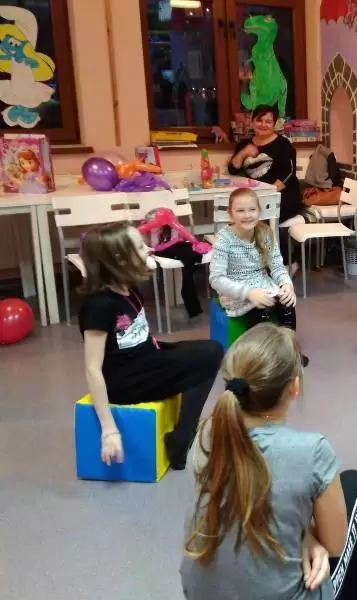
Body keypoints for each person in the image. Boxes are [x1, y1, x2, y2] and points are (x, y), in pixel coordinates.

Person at [180, 324, 357, 600]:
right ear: (294, 387)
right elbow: (334, 546)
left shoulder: (206, 437)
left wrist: (306, 537)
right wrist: (310, 536)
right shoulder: (312, 452)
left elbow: (246, 508)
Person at [78, 222, 223, 470]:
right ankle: (182, 439)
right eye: (140, 247)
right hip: (126, 382)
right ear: (118, 258)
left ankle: (182, 434)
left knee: (208, 352)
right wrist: (109, 430)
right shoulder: (98, 305)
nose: (149, 249)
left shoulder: (127, 287)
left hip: (145, 358)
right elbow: (93, 369)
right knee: (209, 354)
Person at [209, 188, 309, 366]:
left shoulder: (265, 233)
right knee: (265, 308)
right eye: (240, 210)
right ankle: (261, 357)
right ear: (231, 214)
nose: (247, 215)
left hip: (263, 284)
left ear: (259, 211)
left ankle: (289, 352)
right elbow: (216, 279)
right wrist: (249, 293)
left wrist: (287, 285)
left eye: (252, 209)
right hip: (236, 291)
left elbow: (277, 265)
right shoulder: (224, 239)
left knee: (286, 303)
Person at [228, 104, 303, 269]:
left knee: (263, 219)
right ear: (252, 122)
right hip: (256, 197)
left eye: (268, 121)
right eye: (259, 120)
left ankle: (285, 263)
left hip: (284, 196)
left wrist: (269, 193)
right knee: (241, 218)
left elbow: (289, 173)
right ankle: (254, 264)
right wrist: (244, 152)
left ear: (274, 124)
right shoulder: (245, 144)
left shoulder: (283, 144)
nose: (263, 124)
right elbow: (233, 169)